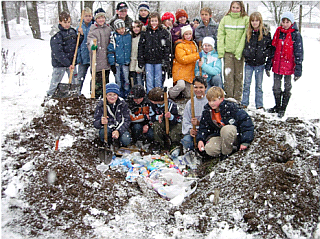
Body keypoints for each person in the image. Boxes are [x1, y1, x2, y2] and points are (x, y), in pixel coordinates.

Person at [197, 86, 254, 161]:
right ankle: (231, 149)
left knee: (226, 129)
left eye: (214, 100)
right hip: (220, 136)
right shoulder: (207, 112)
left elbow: (245, 121)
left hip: (234, 135)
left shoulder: (231, 107)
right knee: (210, 149)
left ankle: (226, 154)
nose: (211, 103)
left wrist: (245, 141)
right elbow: (203, 127)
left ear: (221, 99)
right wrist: (200, 139)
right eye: (209, 101)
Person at [266, 12, 303, 118]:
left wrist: (298, 68)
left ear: (291, 22)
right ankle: (277, 106)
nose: (285, 24)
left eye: (288, 22)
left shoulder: (296, 35)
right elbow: (272, 49)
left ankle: (283, 108)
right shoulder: (278, 32)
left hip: (289, 65)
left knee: (287, 87)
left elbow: (299, 52)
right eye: (283, 21)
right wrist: (269, 64)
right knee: (276, 87)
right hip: (277, 64)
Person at [217, 1, 249, 102]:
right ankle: (229, 98)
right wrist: (221, 51)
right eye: (233, 7)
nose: (235, 9)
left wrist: (239, 51)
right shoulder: (225, 19)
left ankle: (237, 99)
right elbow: (221, 35)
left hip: (239, 53)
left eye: (237, 8)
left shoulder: (245, 19)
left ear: (241, 8)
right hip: (228, 52)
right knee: (228, 76)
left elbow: (245, 36)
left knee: (238, 76)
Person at [47, 11, 84, 96]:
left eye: (68, 22)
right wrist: (67, 63)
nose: (67, 24)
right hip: (59, 64)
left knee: (75, 82)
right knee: (55, 82)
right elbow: (57, 52)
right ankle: (49, 97)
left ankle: (75, 98)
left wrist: (81, 35)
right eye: (65, 22)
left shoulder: (72, 31)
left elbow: (77, 44)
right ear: (60, 22)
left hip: (71, 62)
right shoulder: (57, 34)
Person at [241, 12, 272, 110]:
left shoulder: (265, 33)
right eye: (253, 21)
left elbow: (269, 47)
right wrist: (246, 54)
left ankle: (259, 104)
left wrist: (264, 54)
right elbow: (244, 45)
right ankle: (244, 102)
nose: (254, 23)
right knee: (246, 84)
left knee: (258, 85)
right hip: (249, 63)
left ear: (260, 21)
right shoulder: (248, 32)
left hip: (260, 63)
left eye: (256, 21)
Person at [138, 12, 170, 93]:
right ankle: (150, 95)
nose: (154, 23)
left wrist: (166, 60)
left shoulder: (163, 32)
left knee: (158, 80)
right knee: (149, 80)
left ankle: (158, 95)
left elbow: (167, 48)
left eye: (156, 21)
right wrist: (141, 59)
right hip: (148, 60)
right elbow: (141, 46)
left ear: (159, 21)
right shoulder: (145, 32)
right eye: (152, 21)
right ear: (149, 22)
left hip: (159, 60)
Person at [87, 8, 113, 99]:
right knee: (96, 83)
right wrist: (92, 46)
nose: (101, 20)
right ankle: (95, 98)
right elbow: (90, 41)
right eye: (99, 18)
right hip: (96, 62)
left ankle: (104, 100)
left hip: (106, 61)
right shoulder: (93, 30)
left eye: (103, 17)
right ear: (96, 19)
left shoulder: (108, 29)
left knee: (105, 82)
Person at [169, 25, 200, 99]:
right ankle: (170, 94)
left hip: (190, 72)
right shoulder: (179, 45)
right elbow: (183, 59)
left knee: (190, 95)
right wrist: (198, 55)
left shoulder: (194, 44)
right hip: (180, 71)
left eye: (190, 34)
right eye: (186, 34)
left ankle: (181, 94)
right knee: (181, 85)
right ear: (183, 35)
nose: (188, 36)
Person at [181, 76, 208, 152]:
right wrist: (190, 129)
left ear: (205, 88)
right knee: (187, 141)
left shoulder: (209, 101)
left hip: (206, 132)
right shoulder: (190, 103)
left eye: (201, 87)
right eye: (196, 87)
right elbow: (186, 120)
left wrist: (199, 124)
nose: (198, 90)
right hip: (194, 131)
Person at [107, 19, 132, 99]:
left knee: (127, 80)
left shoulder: (129, 35)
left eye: (122, 28)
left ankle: (127, 95)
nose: (121, 30)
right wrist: (112, 63)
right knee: (118, 81)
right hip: (117, 63)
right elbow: (110, 51)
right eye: (118, 29)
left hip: (126, 62)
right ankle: (119, 95)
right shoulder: (114, 37)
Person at [76, 7, 93, 93]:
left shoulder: (94, 26)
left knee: (93, 78)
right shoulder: (79, 27)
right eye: (86, 16)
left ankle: (92, 93)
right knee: (80, 78)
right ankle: (77, 93)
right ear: (83, 17)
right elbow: (77, 45)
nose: (88, 18)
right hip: (83, 57)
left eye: (89, 16)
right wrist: (78, 58)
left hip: (92, 57)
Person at [129, 20, 144, 86]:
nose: (136, 29)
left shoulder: (142, 37)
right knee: (133, 81)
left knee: (139, 80)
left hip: (139, 62)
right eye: (134, 27)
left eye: (137, 27)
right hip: (132, 62)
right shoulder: (131, 37)